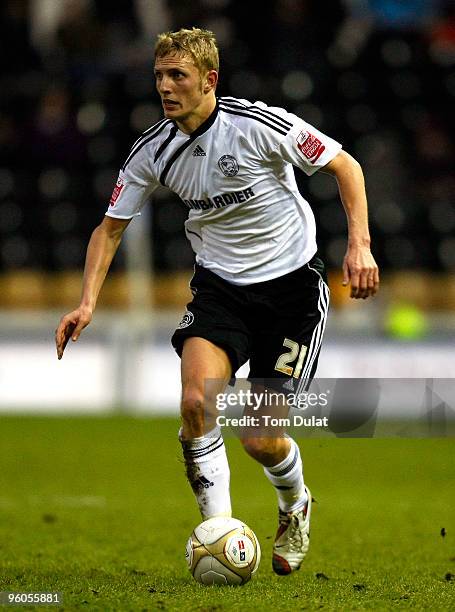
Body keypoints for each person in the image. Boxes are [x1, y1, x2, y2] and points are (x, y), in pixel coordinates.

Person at [55, 27, 379, 575]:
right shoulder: (153, 150)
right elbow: (108, 229)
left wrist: (361, 247)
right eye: (159, 75)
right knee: (194, 404)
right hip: (220, 292)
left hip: (291, 294)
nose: (165, 86)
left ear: (209, 80)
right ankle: (220, 533)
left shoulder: (259, 126)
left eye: (177, 75)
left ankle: (294, 503)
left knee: (259, 438)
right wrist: (87, 303)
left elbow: (347, 166)